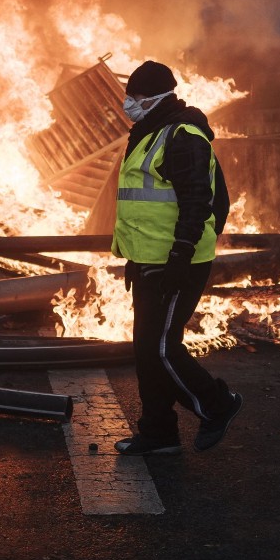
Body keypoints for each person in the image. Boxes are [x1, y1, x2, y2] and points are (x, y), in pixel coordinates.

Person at [111, 60, 242, 455]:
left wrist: (181, 256)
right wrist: (135, 258)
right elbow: (144, 207)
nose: (129, 104)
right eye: (129, 97)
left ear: (157, 97)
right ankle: (159, 433)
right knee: (145, 351)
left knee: (162, 348)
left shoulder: (183, 136)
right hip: (149, 262)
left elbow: (197, 202)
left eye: (136, 97)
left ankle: (218, 405)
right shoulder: (149, 133)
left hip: (177, 263)